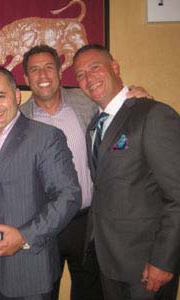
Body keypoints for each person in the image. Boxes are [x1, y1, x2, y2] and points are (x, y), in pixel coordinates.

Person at [0, 45, 151, 300]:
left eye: (49, 67)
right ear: (26, 80)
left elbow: (113, 102)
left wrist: (133, 97)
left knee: (89, 290)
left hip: (84, 221)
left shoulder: (84, 103)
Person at [0, 65, 81, 300]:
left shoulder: (45, 137)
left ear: (17, 95)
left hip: (26, 270)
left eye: (0, 96)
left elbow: (69, 195)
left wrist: (25, 236)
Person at [73, 44, 180, 300]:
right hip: (109, 261)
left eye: (94, 67)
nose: (88, 78)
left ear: (115, 67)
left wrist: (164, 260)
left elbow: (177, 194)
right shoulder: (94, 126)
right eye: (80, 75)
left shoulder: (152, 114)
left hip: (146, 264)